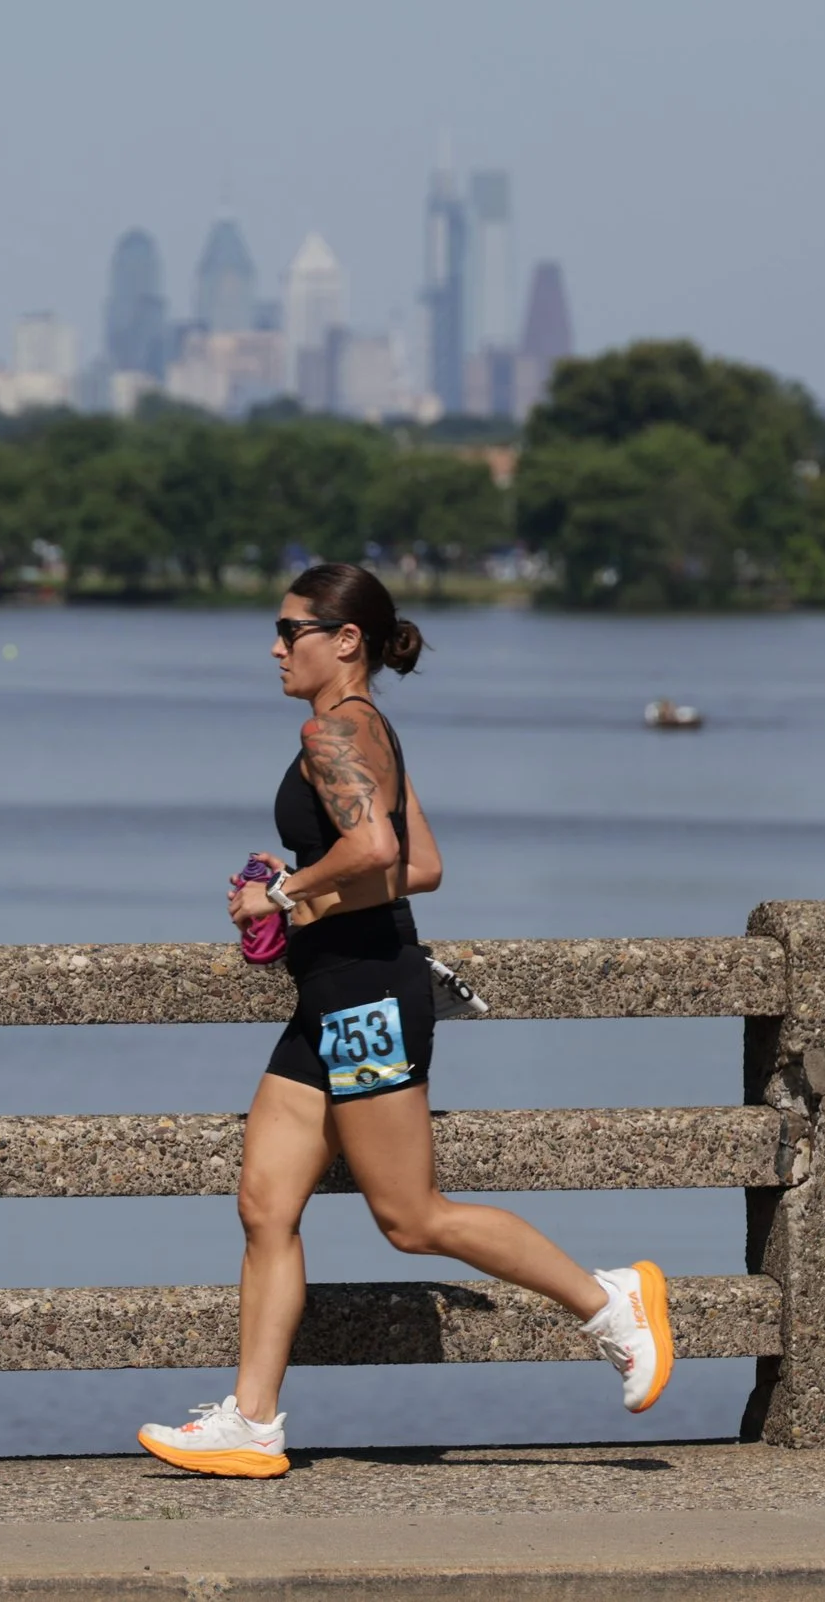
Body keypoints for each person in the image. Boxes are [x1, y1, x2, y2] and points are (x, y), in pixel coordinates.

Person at [135, 562, 673, 1479]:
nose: (274, 646)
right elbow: (421, 865)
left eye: (288, 629)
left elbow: (378, 847)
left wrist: (282, 889)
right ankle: (252, 1422)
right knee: (266, 1204)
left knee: (412, 1217)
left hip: (368, 1000)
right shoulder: (374, 729)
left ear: (343, 640)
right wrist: (308, 905)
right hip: (332, 996)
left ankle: (609, 1301)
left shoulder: (330, 731)